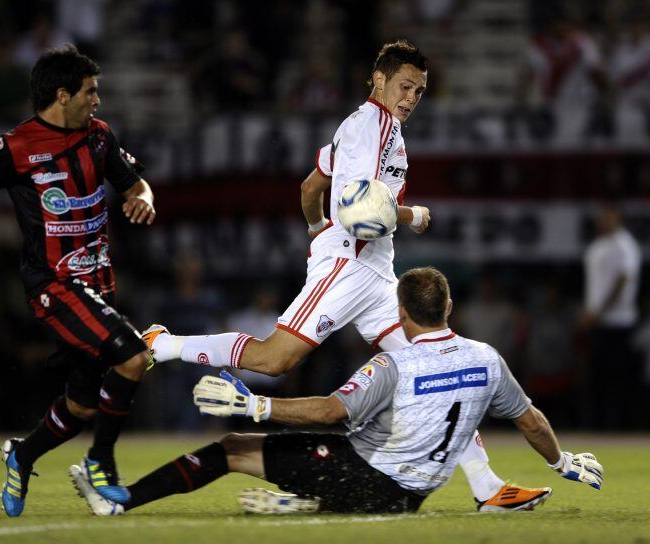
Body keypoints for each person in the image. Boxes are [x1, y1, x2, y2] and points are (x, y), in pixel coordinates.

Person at [142, 39, 547, 510]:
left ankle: (488, 488)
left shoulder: (370, 127)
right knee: (275, 360)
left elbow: (311, 186)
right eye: (405, 86)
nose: (412, 97)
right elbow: (360, 210)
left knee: (437, 366)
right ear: (378, 78)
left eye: (419, 90)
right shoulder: (372, 128)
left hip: (375, 270)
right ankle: (162, 344)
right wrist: (411, 215)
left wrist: (316, 228)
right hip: (349, 264)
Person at [70, 267, 604, 516]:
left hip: (371, 482)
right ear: (448, 310)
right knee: (355, 439)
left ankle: (121, 501)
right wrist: (562, 463)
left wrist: (256, 404)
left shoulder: (393, 364)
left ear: (400, 313)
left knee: (234, 448)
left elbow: (329, 411)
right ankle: (307, 501)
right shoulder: (487, 358)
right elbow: (531, 421)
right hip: (411, 494)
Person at [0, 46, 155, 517]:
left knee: (81, 407)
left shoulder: (99, 137)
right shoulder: (16, 146)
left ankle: (22, 455)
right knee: (135, 357)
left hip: (98, 283)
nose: (97, 100)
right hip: (54, 284)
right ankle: (100, 464)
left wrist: (144, 198)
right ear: (63, 94)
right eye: (90, 91)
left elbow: (135, 182)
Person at [581, 203, 641, 428]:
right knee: (597, 379)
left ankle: (622, 429)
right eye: (601, 216)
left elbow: (622, 281)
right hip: (598, 323)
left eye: (607, 215)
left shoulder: (625, 245)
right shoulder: (598, 245)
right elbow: (595, 286)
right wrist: (589, 311)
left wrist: (599, 312)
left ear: (616, 216)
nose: (603, 220)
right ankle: (599, 428)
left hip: (619, 323)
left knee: (618, 380)